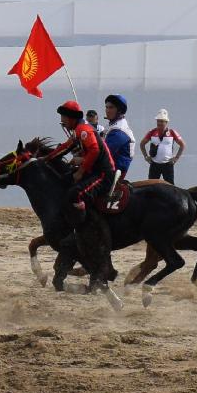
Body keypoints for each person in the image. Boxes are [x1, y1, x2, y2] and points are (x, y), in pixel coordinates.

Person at [46, 100, 116, 281]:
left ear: (71, 118)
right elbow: (64, 147)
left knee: (74, 193)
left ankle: (83, 230)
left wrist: (81, 171)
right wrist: (45, 159)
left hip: (103, 174)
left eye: (63, 117)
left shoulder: (84, 130)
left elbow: (93, 151)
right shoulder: (77, 131)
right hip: (94, 172)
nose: (62, 120)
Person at [139, 109, 185, 184]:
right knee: (151, 185)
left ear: (166, 122)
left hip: (167, 164)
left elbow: (182, 145)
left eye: (162, 121)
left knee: (170, 186)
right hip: (154, 164)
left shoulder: (172, 132)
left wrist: (176, 158)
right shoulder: (152, 132)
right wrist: (146, 156)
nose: (159, 123)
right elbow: (142, 144)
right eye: (158, 121)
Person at [102, 94, 135, 180]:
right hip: (104, 168)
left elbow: (103, 154)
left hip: (111, 173)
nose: (107, 110)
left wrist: (83, 160)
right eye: (107, 107)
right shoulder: (110, 126)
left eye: (111, 107)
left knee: (76, 191)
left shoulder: (119, 130)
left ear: (120, 110)